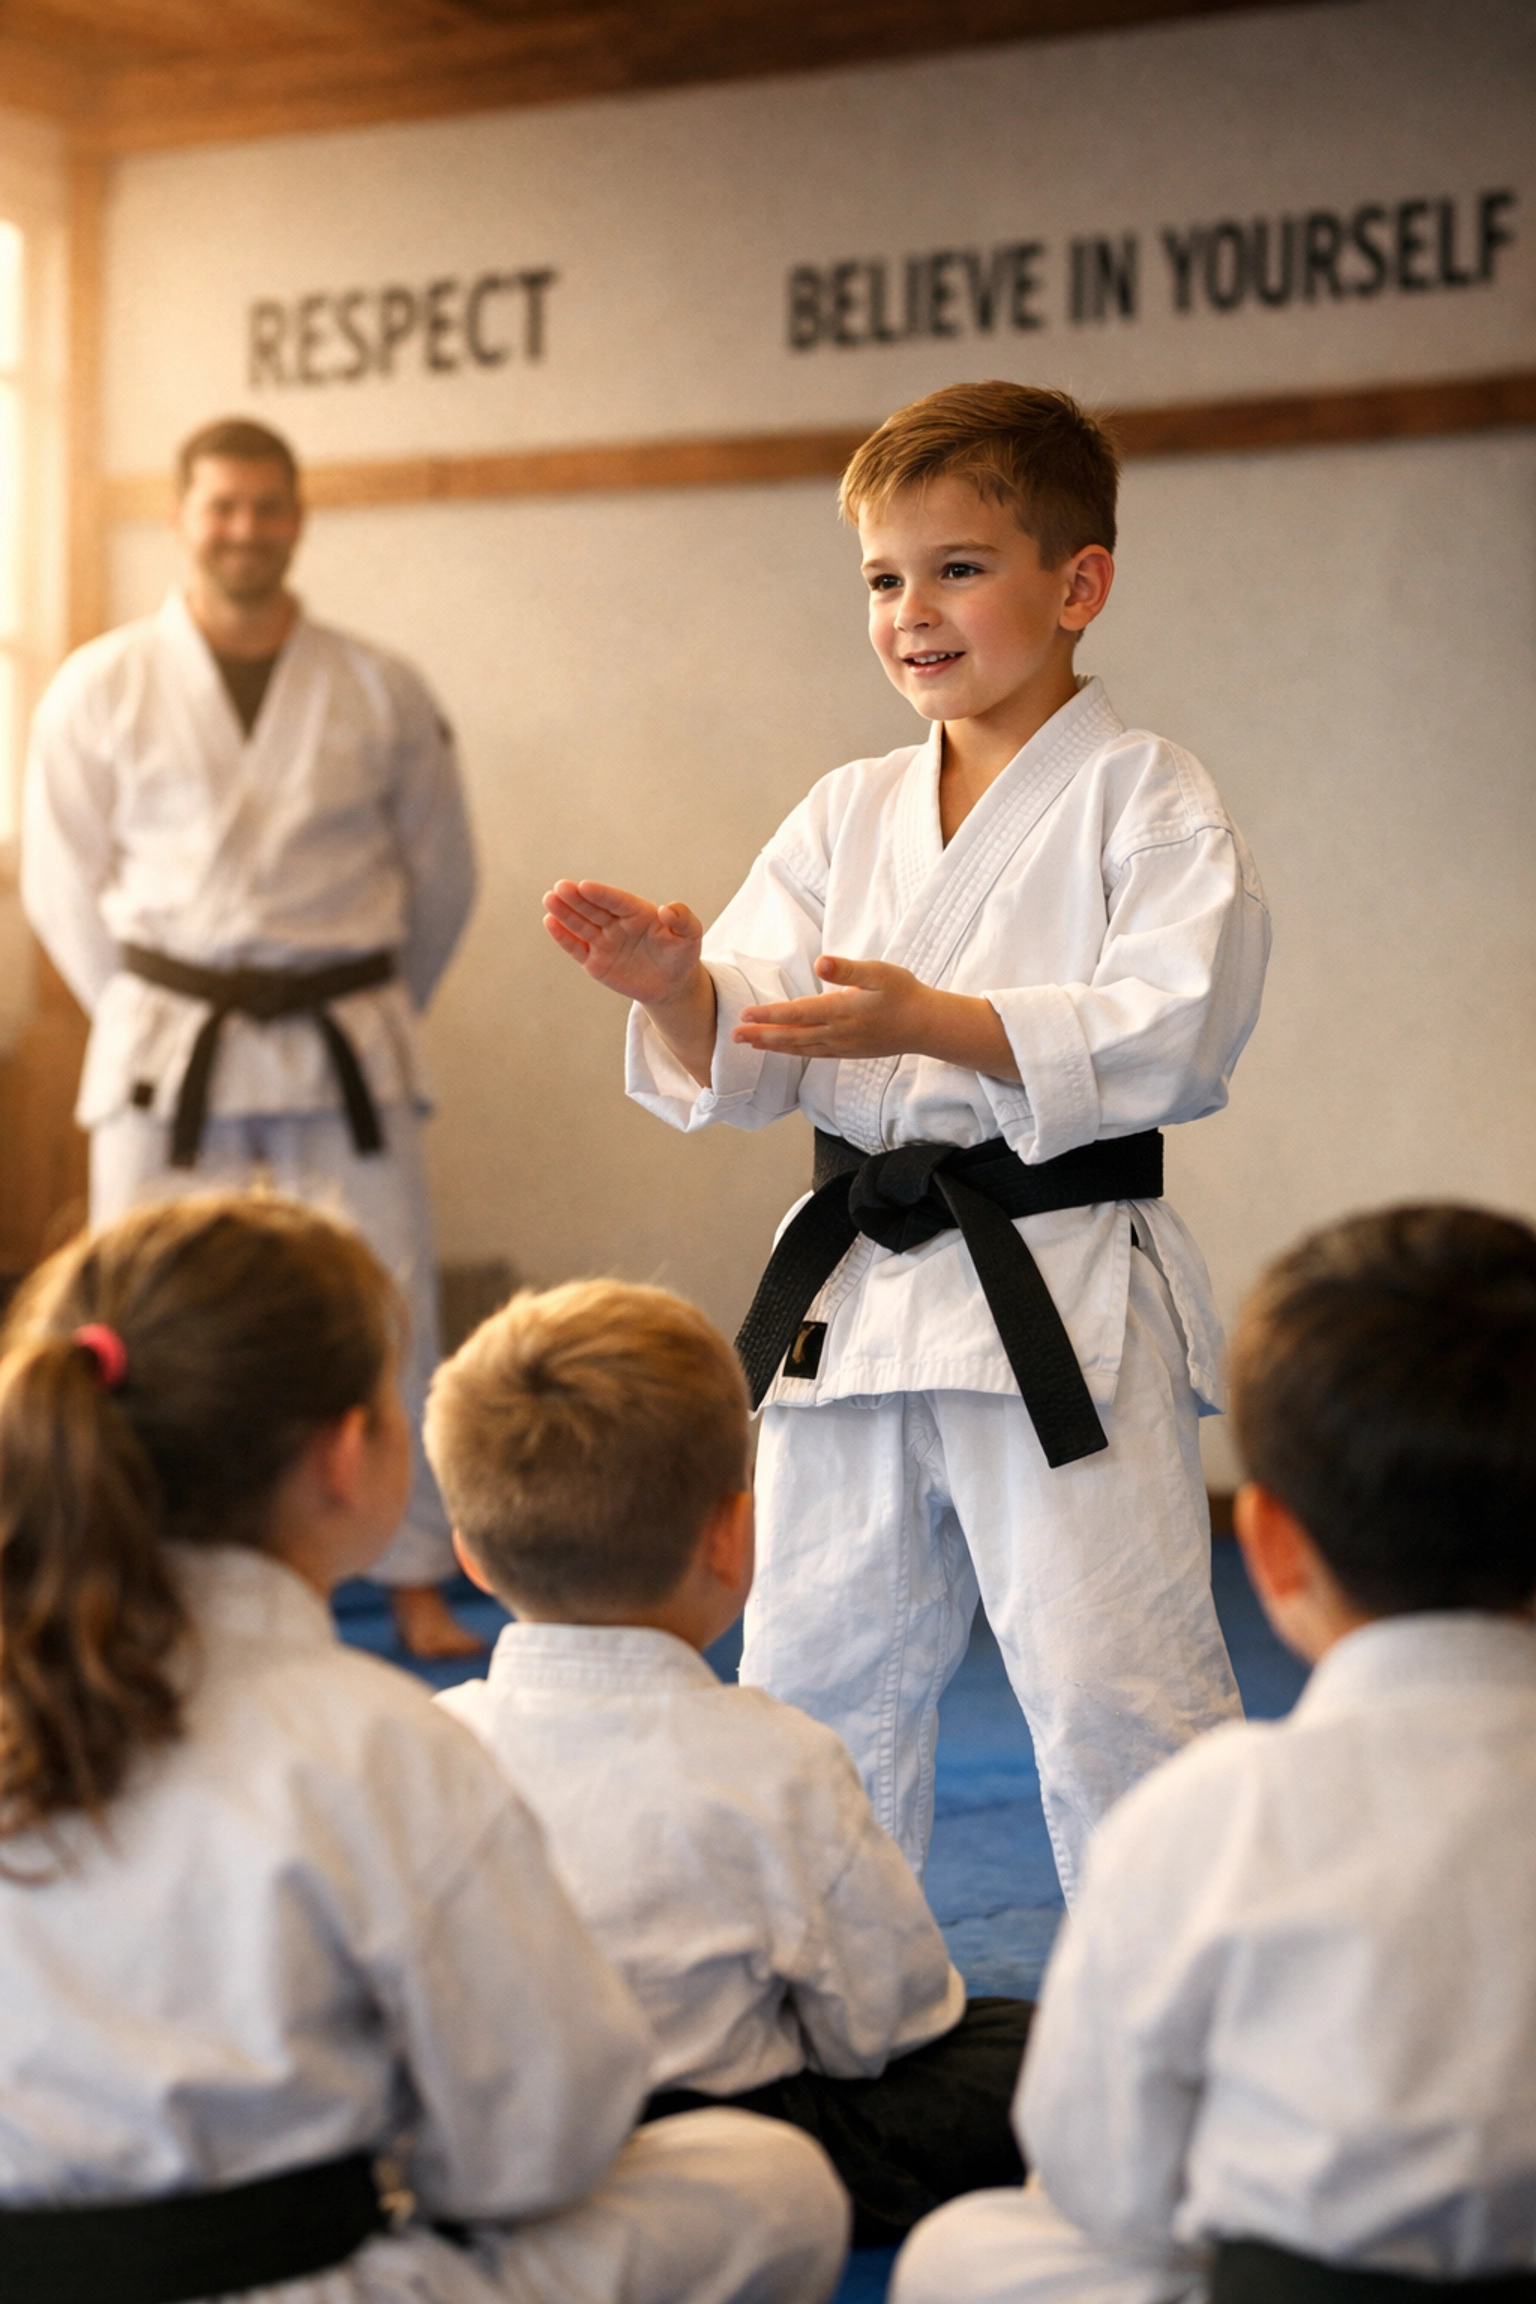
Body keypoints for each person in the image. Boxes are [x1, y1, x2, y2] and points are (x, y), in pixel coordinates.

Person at [543, 381, 1271, 1891]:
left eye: (958, 568)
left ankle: (1180, 1995)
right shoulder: (845, 810)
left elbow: (1178, 1026)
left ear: (1079, 584)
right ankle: (829, 1995)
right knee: (814, 1676)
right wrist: (681, 989)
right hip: (858, 1296)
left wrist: (937, 1021)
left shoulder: (1147, 794)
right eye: (883, 578)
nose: (911, 612)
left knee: (1114, 1681)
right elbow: (760, 1038)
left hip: (1056, 1280)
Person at [0, 1193, 849, 2304]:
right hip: (297, 2275)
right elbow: (537, 2145)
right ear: (347, 1455)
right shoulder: (378, 1740)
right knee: (768, 2184)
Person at [893, 1201, 1536, 2304]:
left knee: (966, 2254)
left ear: (1272, 1548)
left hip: (1289, 2283)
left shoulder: (1204, 1815)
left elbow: (1106, 2184)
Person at [425, 1275, 1037, 2247]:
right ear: (734, 1537)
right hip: (728, 2132)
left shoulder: (421, 1743)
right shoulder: (778, 1756)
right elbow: (892, 2024)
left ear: (470, 1554)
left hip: (486, 2137)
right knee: (1029, 2049)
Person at [22, 415, 478, 1660]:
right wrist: (153, 1003)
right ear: (183, 516)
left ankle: (413, 1574)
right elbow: (61, 886)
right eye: (221, 506)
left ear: (297, 517)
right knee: (141, 1310)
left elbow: (442, 881)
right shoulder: (102, 686)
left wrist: (367, 1002)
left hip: (344, 1033)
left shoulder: (380, 687)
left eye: (267, 505)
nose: (245, 529)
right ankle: (143, 1566)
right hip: (170, 1039)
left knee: (388, 1300)